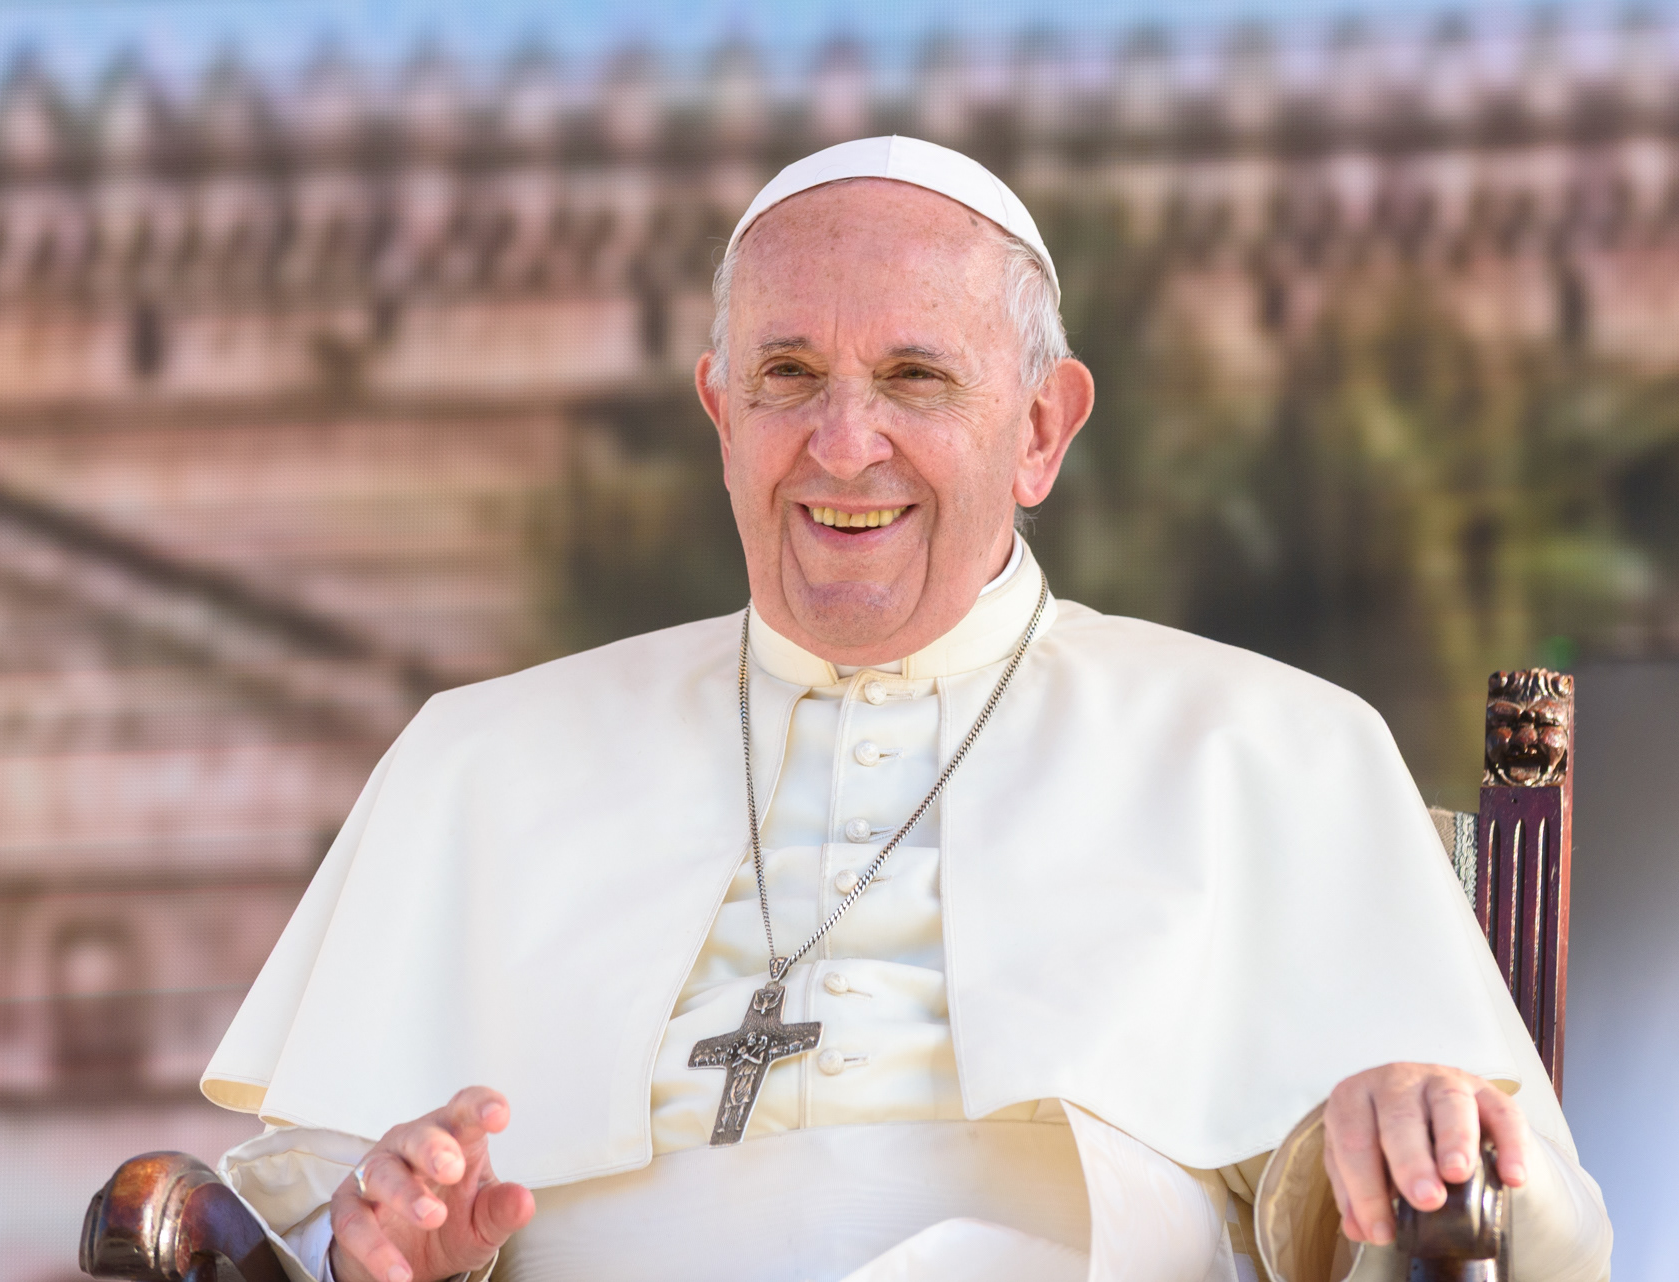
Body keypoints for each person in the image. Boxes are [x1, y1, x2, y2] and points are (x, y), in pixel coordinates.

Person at [200, 137, 1611, 1282]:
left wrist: (1393, 1131)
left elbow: (1536, 1241)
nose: (843, 441)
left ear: (1044, 427)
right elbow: (288, 1215)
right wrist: (373, 1238)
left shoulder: (1269, 744)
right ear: (719, 413)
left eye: (916, 377)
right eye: (789, 375)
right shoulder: (481, 755)